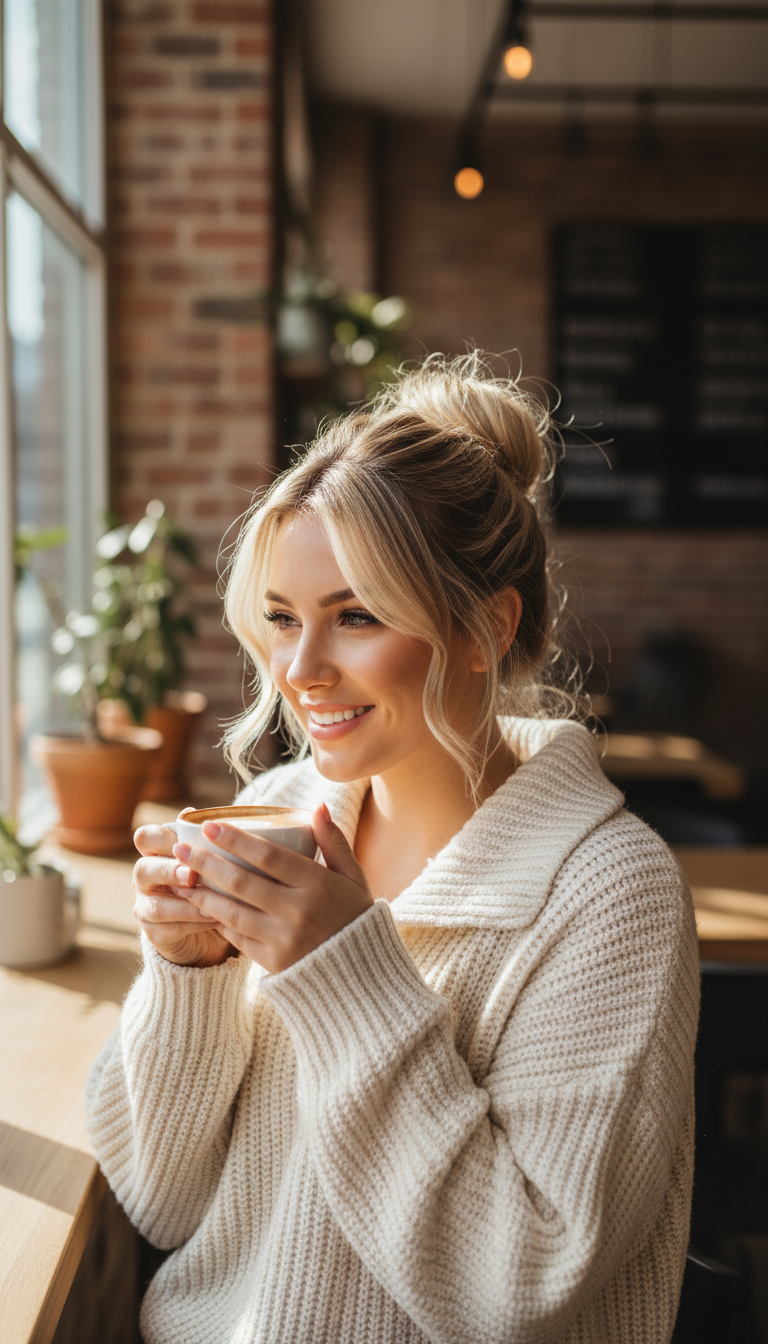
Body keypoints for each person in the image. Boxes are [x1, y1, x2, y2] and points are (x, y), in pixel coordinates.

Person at [85, 353, 699, 1344]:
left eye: (356, 617)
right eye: (282, 619)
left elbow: (522, 1290)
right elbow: (165, 1202)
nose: (299, 669)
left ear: (484, 627)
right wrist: (189, 977)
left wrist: (344, 973)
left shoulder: (610, 895)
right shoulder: (278, 812)